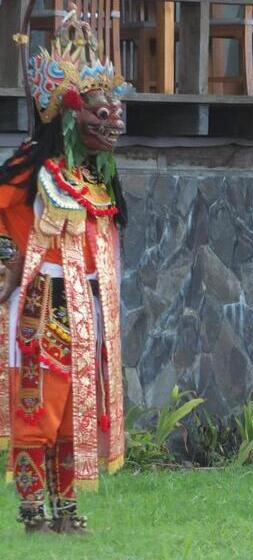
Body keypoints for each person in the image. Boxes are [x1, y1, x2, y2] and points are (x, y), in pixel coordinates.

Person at [0, 8, 129, 533]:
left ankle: (67, 508)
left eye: (113, 107)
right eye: (97, 109)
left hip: (86, 308)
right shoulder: (32, 167)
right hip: (40, 305)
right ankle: (33, 511)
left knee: (77, 405)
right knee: (41, 410)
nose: (111, 118)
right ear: (68, 113)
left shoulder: (95, 177)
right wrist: (7, 256)